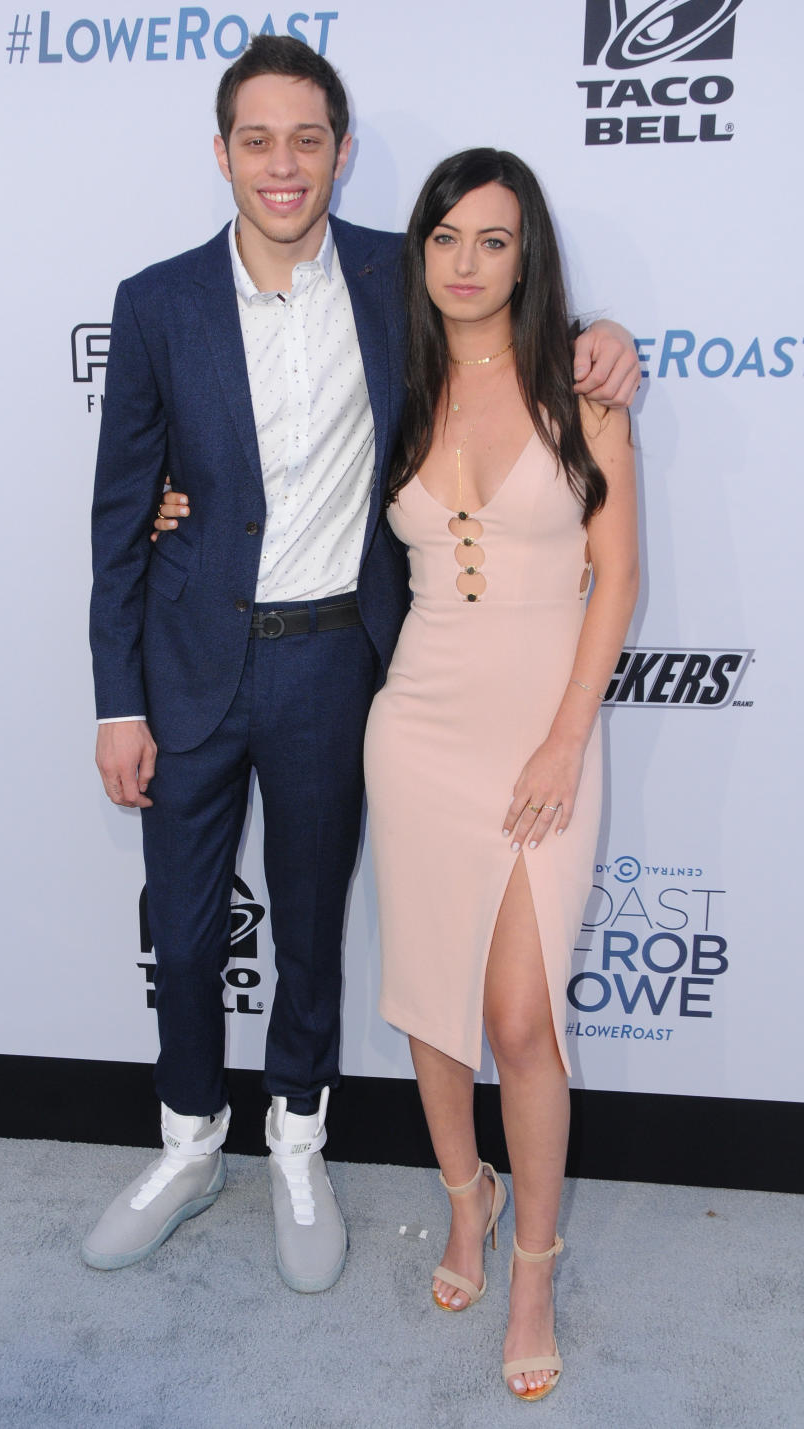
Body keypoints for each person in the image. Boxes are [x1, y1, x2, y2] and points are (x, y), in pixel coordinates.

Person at [87, 35, 640, 1295]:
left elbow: (519, 299)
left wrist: (609, 333)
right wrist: (116, 694)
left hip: (345, 659)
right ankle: (184, 1147)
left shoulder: (405, 274)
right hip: (185, 663)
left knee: (314, 921)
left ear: (340, 152)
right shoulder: (155, 301)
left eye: (308, 140)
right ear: (221, 152)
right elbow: (122, 513)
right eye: (257, 140)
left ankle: (298, 1141)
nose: (283, 166)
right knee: (180, 926)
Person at [362, 149, 639, 1399]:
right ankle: (463, 1202)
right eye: (444, 237)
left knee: (521, 1017)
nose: (465, 262)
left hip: (543, 725)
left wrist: (566, 735)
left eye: (493, 239)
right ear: (419, 252)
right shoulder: (399, 381)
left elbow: (617, 576)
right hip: (416, 722)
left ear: (528, 258)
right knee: (435, 999)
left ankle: (533, 1259)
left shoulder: (583, 385)